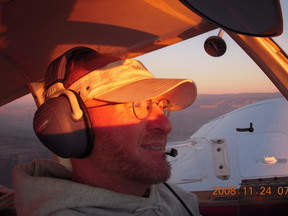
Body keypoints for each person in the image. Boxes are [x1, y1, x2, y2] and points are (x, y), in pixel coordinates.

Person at [12, 47, 201, 216]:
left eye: (160, 105)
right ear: (70, 122)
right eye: (138, 105)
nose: (166, 126)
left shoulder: (178, 198)